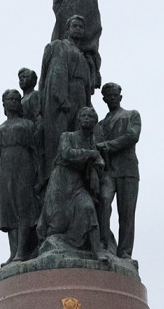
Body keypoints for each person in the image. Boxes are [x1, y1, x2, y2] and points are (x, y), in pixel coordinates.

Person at [36, 106, 109, 260]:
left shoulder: (92, 142)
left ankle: (97, 251)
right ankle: (49, 246)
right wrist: (91, 154)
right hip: (60, 181)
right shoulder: (67, 136)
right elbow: (67, 153)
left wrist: (96, 166)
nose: (86, 119)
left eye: (90, 117)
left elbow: (98, 162)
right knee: (57, 224)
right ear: (78, 119)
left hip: (77, 183)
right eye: (83, 116)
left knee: (88, 207)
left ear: (95, 122)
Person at [38, 13, 95, 183]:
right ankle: (53, 176)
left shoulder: (83, 56)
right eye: (74, 26)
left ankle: (78, 175)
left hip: (80, 97)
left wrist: (87, 103)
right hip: (63, 98)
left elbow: (87, 85)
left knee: (78, 136)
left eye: (81, 27)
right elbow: (57, 71)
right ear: (67, 29)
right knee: (59, 137)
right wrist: (61, 97)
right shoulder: (60, 46)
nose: (78, 29)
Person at [95, 82, 141, 258]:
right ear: (104, 99)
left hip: (127, 170)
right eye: (109, 96)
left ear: (120, 97)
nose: (113, 98)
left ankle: (125, 252)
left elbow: (132, 136)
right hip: (108, 171)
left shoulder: (131, 115)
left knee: (126, 213)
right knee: (104, 201)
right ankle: (104, 243)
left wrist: (108, 145)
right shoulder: (100, 125)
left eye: (115, 96)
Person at [0, 89, 40, 264]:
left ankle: (22, 250)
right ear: (4, 104)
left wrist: (36, 174)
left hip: (23, 166)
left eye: (16, 99)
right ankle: (13, 252)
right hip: (5, 171)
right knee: (8, 212)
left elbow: (34, 152)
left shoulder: (27, 125)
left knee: (23, 208)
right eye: (10, 99)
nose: (13, 102)